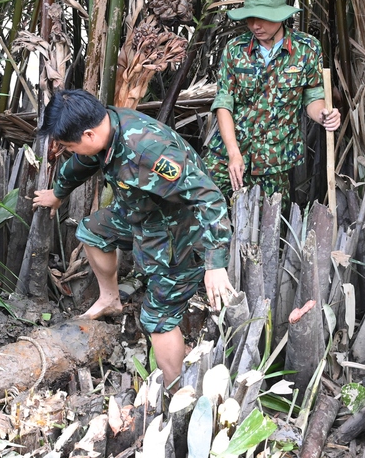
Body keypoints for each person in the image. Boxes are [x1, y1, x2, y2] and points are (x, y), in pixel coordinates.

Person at [32, 89, 234, 389]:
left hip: (179, 235)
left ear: (88, 135)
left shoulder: (149, 151)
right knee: (92, 230)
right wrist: (58, 193)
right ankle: (110, 299)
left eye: (69, 146)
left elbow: (209, 198)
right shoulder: (106, 128)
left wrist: (215, 263)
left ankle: (176, 391)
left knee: (158, 320)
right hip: (141, 216)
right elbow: (84, 162)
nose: (70, 151)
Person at [203, 0, 342, 197]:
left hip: (274, 160)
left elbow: (312, 97)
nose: (255, 25)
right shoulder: (235, 50)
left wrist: (325, 116)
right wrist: (233, 153)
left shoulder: (306, 48)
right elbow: (224, 103)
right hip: (227, 154)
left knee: (266, 224)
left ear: (280, 15)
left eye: (263, 18)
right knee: (203, 207)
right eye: (250, 18)